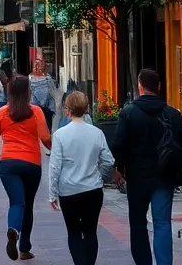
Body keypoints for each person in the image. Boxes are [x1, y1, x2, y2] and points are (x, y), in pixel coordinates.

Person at [111, 68, 182, 265]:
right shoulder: (172, 113)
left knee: (138, 224)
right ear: (158, 87)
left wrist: (120, 167)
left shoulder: (128, 113)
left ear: (139, 87)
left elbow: (118, 145)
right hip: (164, 176)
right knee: (162, 223)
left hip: (136, 176)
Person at [0, 74, 52, 261]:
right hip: (32, 164)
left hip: (8, 164)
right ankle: (24, 248)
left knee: (17, 202)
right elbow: (46, 139)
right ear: (28, 92)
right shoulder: (36, 112)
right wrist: (57, 150)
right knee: (28, 205)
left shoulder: (1, 112)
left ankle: (13, 229)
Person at [49, 92, 114, 265]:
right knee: (91, 231)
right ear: (86, 109)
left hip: (68, 190)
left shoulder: (60, 135)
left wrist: (52, 192)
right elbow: (108, 160)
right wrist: (101, 176)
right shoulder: (97, 133)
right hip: (92, 189)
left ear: (67, 110)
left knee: (74, 232)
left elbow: (55, 166)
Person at [29, 57, 58, 141]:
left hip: (46, 106)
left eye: (40, 65)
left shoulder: (48, 78)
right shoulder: (30, 78)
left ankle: (48, 141)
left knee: (48, 124)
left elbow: (53, 91)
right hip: (38, 106)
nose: (38, 67)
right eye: (36, 65)